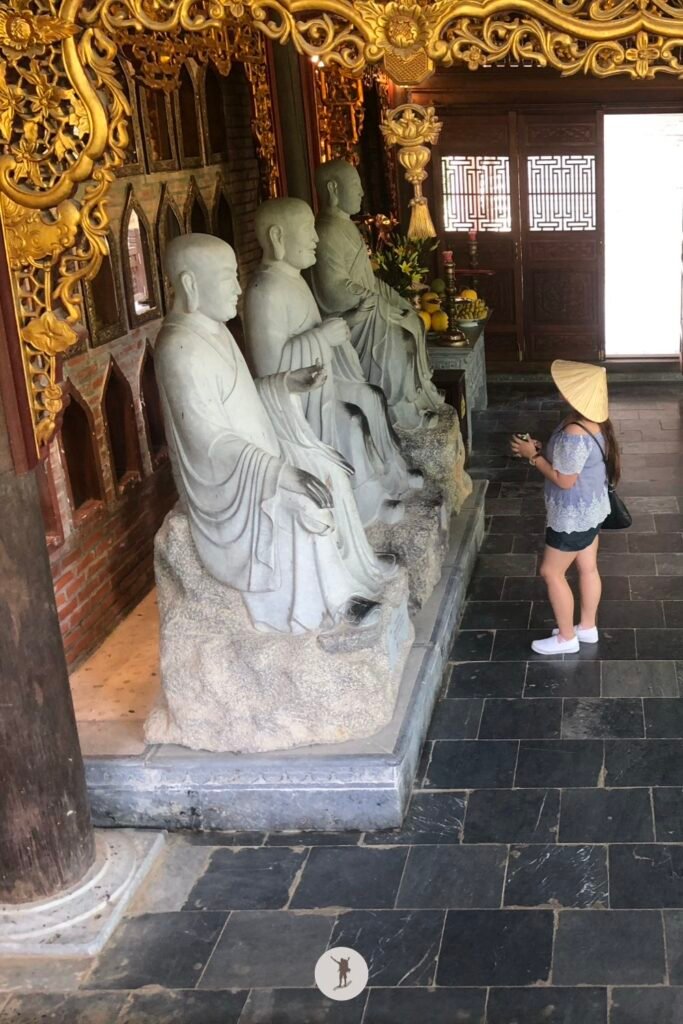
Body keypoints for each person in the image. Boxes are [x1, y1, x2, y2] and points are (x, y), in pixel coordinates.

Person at [510, 360, 621, 655]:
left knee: (551, 572)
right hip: (591, 510)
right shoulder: (593, 422)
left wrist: (533, 457)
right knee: (588, 567)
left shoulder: (575, 431)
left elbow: (564, 480)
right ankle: (587, 627)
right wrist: (541, 448)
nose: (561, 389)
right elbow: (573, 463)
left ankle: (566, 638)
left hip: (573, 517)